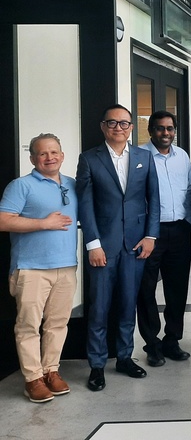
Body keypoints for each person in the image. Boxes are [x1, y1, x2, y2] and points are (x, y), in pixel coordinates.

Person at [76, 104, 160, 391]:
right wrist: (92, 243)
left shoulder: (144, 157)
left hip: (136, 244)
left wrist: (151, 236)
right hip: (103, 246)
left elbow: (154, 200)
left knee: (128, 304)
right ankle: (97, 365)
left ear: (132, 127)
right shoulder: (89, 159)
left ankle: (124, 357)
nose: (118, 128)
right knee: (99, 308)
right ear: (103, 127)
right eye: (112, 123)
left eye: (124, 123)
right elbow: (85, 206)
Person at [0, 134, 78, 403]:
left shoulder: (72, 185)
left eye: (54, 152)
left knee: (58, 323)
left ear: (62, 155)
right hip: (31, 268)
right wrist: (43, 224)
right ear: (33, 158)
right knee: (28, 326)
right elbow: (3, 221)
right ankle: (32, 379)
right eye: (43, 154)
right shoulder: (20, 186)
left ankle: (51, 372)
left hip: (66, 267)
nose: (49, 157)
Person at [137, 111, 191, 368]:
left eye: (170, 128)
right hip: (150, 233)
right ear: (150, 130)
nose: (165, 133)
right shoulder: (138, 155)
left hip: (179, 231)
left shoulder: (182, 156)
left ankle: (172, 340)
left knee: (177, 289)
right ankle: (152, 344)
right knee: (146, 289)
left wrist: (189, 222)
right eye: (160, 128)